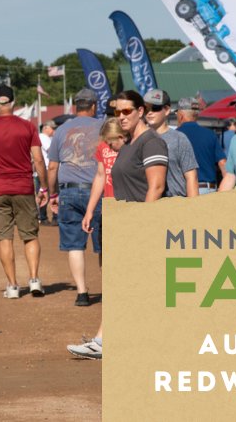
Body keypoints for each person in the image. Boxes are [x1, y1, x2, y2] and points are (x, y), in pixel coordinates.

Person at [70, 91, 168, 360]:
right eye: (117, 112)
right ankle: (103, 341)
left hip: (142, 225)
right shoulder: (130, 144)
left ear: (140, 111)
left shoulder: (151, 143)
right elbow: (104, 176)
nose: (121, 117)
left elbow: (156, 186)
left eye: (127, 111)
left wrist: (143, 225)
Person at [0, 85, 48, 299]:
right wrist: (45, 187)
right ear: (13, 102)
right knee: (30, 235)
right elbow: (38, 159)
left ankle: (13, 286)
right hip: (23, 186)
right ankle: (33, 280)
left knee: (4, 238)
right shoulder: (27, 127)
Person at [46, 89, 104, 307]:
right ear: (94, 106)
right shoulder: (103, 127)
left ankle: (81, 292)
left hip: (68, 190)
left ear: (75, 106)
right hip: (97, 190)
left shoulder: (61, 130)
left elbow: (52, 167)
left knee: (74, 245)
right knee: (104, 244)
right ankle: (111, 289)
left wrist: (52, 193)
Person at [143, 89, 199, 198]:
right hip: (147, 204)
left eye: (155, 108)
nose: (149, 112)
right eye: (146, 108)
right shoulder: (140, 140)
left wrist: (194, 208)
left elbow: (191, 176)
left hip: (176, 204)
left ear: (167, 110)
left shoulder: (179, 139)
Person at [175, 98, 226, 195]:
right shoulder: (210, 134)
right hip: (209, 189)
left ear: (180, 115)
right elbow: (223, 163)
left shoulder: (175, 136)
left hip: (187, 190)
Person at [37, 120, 58, 226]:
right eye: (52, 128)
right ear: (45, 128)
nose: (54, 130)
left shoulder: (46, 137)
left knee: (45, 192)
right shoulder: (42, 136)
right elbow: (51, 150)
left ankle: (46, 217)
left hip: (44, 169)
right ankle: (47, 217)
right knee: (50, 192)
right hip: (45, 169)